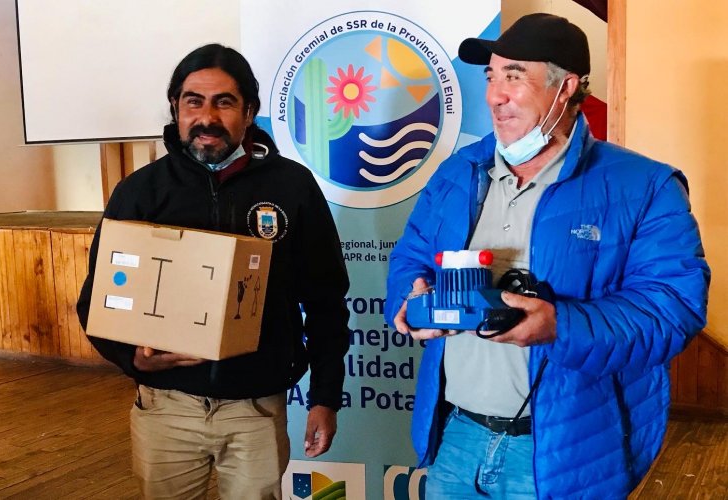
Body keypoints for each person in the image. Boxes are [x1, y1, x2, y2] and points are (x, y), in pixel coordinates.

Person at [385, 13, 709, 499]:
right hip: (456, 440)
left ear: (566, 89)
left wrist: (560, 325)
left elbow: (672, 310)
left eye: (514, 76)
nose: (495, 95)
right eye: (491, 77)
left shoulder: (645, 186)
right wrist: (409, 302)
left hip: (565, 451)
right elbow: (410, 259)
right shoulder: (458, 172)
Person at [77, 44, 350, 500]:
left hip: (255, 409)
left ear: (249, 111)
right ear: (175, 109)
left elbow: (325, 302)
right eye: (193, 102)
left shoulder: (292, 187)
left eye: (223, 102)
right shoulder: (141, 191)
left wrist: (325, 398)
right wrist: (132, 358)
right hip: (166, 408)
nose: (207, 117)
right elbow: (96, 300)